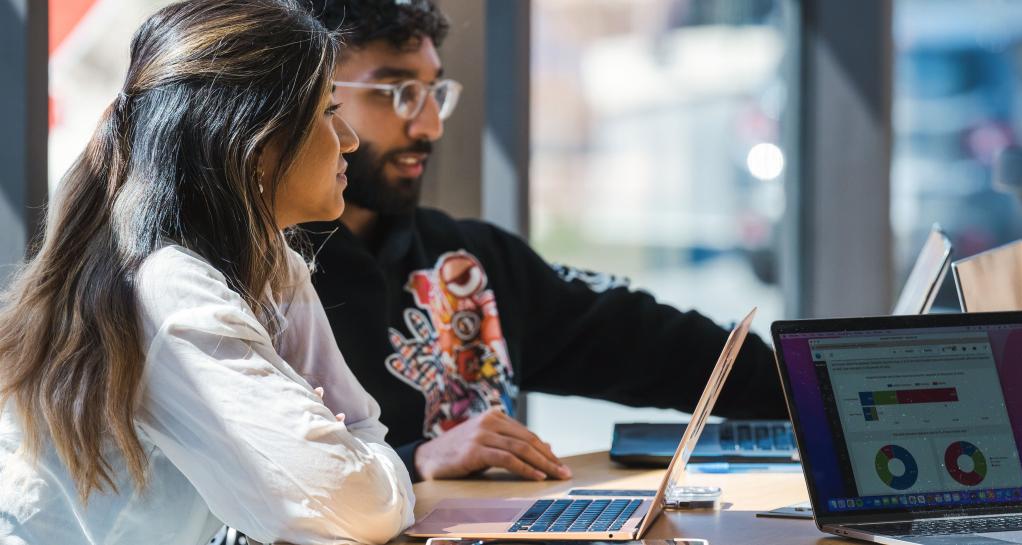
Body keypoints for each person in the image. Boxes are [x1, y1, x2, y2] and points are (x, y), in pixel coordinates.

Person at [306, 0, 788, 484]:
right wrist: (417, 460)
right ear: (306, 97)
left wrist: (816, 395)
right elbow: (273, 483)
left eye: (432, 91)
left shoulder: (470, 260)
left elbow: (649, 342)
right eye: (398, 92)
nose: (430, 125)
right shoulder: (257, 274)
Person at [0, 1, 414, 544]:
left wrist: (350, 456)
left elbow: (358, 442)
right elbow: (356, 506)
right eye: (327, 112)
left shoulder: (273, 267)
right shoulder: (165, 288)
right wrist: (356, 460)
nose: (350, 141)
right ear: (255, 141)